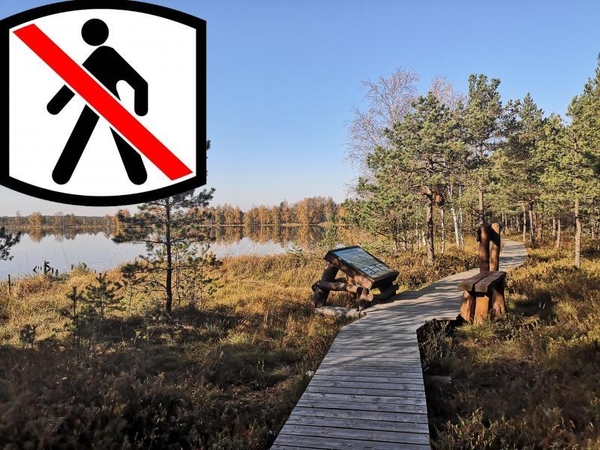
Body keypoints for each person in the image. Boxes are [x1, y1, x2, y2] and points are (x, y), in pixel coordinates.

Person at [48, 18, 148, 185]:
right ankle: (138, 175)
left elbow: (74, 81)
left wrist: (56, 105)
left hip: (103, 104)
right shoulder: (105, 56)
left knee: (80, 135)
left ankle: (61, 174)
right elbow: (140, 84)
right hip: (104, 104)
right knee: (88, 135)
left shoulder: (102, 56)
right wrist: (140, 108)